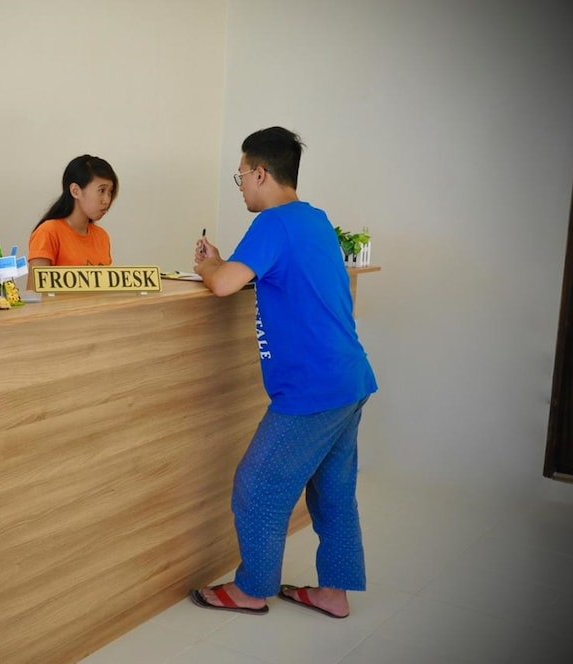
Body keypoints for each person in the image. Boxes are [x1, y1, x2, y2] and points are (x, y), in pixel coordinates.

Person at [189, 127, 377, 619]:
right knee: (333, 492)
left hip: (313, 389)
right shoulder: (315, 219)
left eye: (241, 177)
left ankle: (252, 589)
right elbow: (260, 275)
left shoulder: (272, 223)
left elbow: (224, 285)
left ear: (260, 173)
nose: (241, 188)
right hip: (350, 378)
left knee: (257, 485)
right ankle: (334, 592)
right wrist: (224, 264)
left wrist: (209, 267)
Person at [27, 155, 118, 287]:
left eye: (110, 192)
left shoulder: (102, 236)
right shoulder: (48, 232)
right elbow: (34, 292)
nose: (107, 200)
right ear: (75, 191)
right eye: (101, 191)